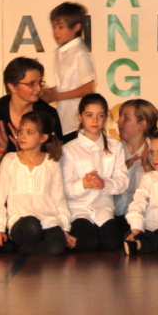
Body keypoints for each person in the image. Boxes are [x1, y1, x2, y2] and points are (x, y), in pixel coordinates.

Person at [0, 57, 63, 245]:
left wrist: (31, 151)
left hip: (41, 195)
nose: (38, 88)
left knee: (55, 241)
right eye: (31, 84)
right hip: (6, 193)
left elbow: (57, 158)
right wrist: (0, 149)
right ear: (12, 86)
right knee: (4, 243)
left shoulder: (48, 114)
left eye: (40, 82)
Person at [0, 111, 74, 256]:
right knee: (32, 226)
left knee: (57, 247)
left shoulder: (52, 163)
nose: (22, 136)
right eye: (20, 130)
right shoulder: (10, 160)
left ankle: (20, 250)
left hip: (47, 220)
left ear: (43, 137)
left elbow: (59, 199)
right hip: (21, 221)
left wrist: (64, 229)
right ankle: (28, 245)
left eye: (29, 132)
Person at [62, 93, 130, 252]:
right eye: (89, 115)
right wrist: (83, 184)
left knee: (112, 243)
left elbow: (122, 182)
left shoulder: (115, 146)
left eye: (100, 115)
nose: (95, 120)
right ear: (79, 116)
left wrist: (104, 183)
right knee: (87, 243)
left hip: (103, 210)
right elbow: (64, 189)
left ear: (106, 117)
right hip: (79, 210)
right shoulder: (68, 150)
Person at [40, 2, 96, 137]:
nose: (56, 32)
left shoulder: (80, 53)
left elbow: (88, 88)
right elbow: (69, 84)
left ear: (76, 27)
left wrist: (56, 96)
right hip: (64, 119)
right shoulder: (62, 52)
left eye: (60, 27)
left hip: (76, 122)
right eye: (53, 27)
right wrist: (51, 91)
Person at [113, 98, 158, 218]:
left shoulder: (156, 151)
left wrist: (147, 166)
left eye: (126, 118)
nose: (118, 122)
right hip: (113, 215)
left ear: (142, 124)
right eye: (120, 117)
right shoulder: (112, 149)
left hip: (144, 216)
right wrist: (121, 169)